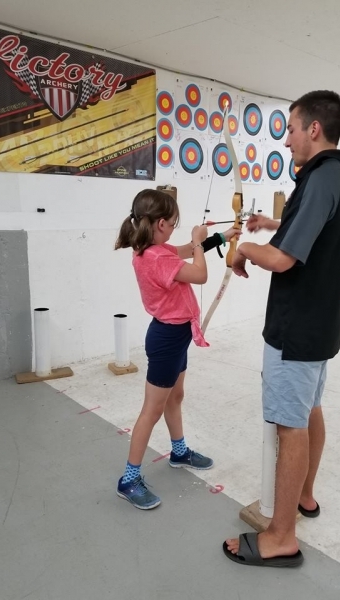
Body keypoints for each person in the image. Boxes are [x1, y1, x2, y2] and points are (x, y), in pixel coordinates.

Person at [223, 90, 340, 566]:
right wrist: (274, 221)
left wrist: (243, 249)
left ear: (314, 129)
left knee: (289, 426)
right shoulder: (338, 176)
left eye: (292, 129)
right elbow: (320, 224)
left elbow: (282, 259)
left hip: (295, 329)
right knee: (309, 409)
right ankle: (304, 496)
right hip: (320, 328)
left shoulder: (320, 177)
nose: (286, 140)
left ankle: (281, 536)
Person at [115, 188, 241, 510]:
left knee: (176, 396)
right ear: (160, 224)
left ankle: (179, 451)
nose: (174, 228)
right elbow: (199, 273)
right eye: (172, 223)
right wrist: (198, 242)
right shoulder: (155, 258)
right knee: (151, 410)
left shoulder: (155, 248)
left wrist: (222, 236)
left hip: (177, 335)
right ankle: (129, 479)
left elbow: (184, 251)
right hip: (167, 339)